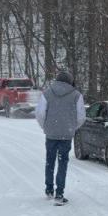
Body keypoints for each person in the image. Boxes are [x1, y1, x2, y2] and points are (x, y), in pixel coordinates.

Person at [35, 71, 86, 205]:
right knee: (63, 162)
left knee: (49, 161)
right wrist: (72, 128)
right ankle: (59, 194)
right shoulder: (76, 95)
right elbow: (81, 116)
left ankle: (49, 189)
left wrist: (46, 127)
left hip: (51, 133)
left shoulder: (47, 93)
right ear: (70, 81)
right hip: (66, 134)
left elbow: (40, 114)